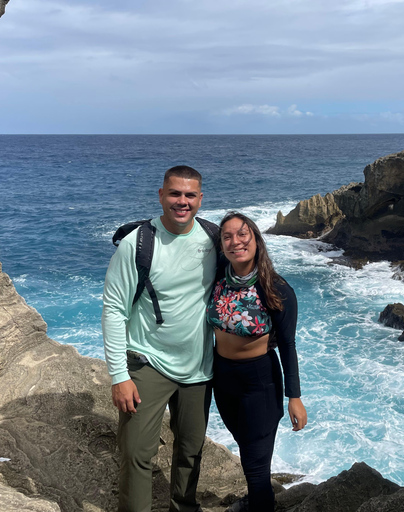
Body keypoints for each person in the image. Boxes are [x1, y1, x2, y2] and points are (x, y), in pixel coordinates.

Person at [102, 165, 218, 512]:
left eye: (190, 195)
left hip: (198, 367)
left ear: (200, 199)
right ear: (161, 196)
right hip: (147, 362)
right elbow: (113, 311)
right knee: (137, 452)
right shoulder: (137, 243)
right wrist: (119, 376)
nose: (182, 202)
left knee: (191, 449)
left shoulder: (214, 239)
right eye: (175, 194)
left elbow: (248, 276)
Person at [206, 212, 308, 512]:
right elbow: (197, 230)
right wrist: (148, 228)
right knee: (248, 452)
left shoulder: (276, 289)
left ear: (256, 240)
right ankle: (256, 499)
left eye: (243, 234)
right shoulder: (219, 275)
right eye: (228, 237)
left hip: (259, 382)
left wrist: (295, 397)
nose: (235, 241)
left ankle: (260, 504)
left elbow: (288, 344)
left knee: (256, 467)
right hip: (223, 378)